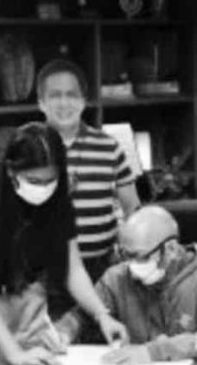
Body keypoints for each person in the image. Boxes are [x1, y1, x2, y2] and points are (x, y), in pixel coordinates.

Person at [0, 122, 129, 365]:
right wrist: (13, 354)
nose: (43, 188)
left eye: (50, 179)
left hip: (26, 295)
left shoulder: (59, 204)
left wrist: (101, 314)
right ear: (10, 171)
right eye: (33, 180)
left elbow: (73, 269)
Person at [55, 206, 197, 365]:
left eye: (139, 256)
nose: (130, 264)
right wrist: (63, 333)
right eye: (124, 254)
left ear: (171, 249)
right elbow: (81, 316)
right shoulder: (116, 277)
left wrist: (154, 352)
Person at [36, 59, 140, 283]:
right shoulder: (27, 149)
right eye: (55, 95)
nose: (64, 103)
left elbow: (132, 208)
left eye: (72, 95)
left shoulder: (109, 147)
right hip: (46, 270)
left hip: (101, 268)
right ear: (41, 103)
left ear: (83, 101)